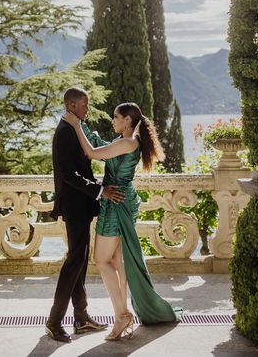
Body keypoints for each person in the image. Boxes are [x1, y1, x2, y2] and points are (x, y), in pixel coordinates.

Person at [64, 101, 183, 340]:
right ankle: (123, 314)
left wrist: (76, 126)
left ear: (127, 120)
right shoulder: (126, 142)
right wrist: (81, 123)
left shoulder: (128, 143)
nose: (113, 120)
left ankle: (121, 316)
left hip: (116, 201)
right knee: (117, 260)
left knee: (101, 259)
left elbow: (92, 153)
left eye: (116, 117)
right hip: (119, 198)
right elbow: (99, 144)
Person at [45, 87, 125, 343]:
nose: (87, 109)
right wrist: (100, 190)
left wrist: (98, 188)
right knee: (74, 261)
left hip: (80, 204)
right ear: (71, 105)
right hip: (74, 205)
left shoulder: (73, 129)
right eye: (84, 105)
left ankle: (81, 318)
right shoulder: (65, 132)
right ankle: (54, 321)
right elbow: (70, 175)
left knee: (78, 260)